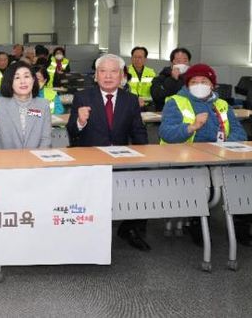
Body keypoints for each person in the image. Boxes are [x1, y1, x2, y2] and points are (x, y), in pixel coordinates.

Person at [66, 54, 149, 251]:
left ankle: (129, 229)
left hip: (121, 160)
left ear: (122, 76)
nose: (108, 76)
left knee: (142, 183)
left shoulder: (130, 100)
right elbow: (72, 131)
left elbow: (138, 131)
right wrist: (80, 121)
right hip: (91, 160)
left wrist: (145, 157)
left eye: (113, 72)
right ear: (96, 76)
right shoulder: (83, 97)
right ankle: (87, 230)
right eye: (103, 71)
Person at [158, 63, 248, 245]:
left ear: (212, 85)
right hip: (186, 160)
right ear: (187, 84)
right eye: (194, 82)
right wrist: (191, 127)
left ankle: (242, 223)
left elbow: (239, 133)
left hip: (220, 157)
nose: (199, 85)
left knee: (244, 179)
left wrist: (223, 146)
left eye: (204, 81)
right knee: (203, 185)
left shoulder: (222, 104)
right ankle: (197, 222)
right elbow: (166, 133)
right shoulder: (176, 102)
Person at [0, 61, 51, 149]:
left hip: (34, 156)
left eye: (26, 76)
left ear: (33, 79)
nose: (23, 81)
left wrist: (35, 157)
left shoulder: (43, 105)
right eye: (17, 77)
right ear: (10, 82)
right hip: (4, 156)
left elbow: (46, 139)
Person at [151, 47, 191, 111]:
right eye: (178, 61)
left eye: (185, 61)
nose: (182, 63)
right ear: (172, 62)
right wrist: (172, 79)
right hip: (167, 112)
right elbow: (157, 97)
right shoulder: (161, 78)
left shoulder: (193, 79)